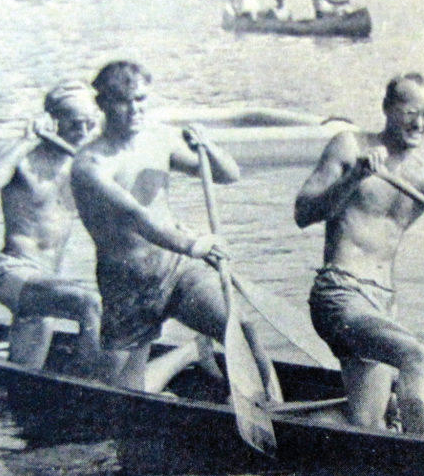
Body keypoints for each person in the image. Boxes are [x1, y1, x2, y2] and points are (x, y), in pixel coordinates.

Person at [70, 60, 278, 393]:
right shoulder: (89, 165)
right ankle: (187, 354)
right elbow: (139, 219)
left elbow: (228, 174)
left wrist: (208, 147)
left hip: (177, 269)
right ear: (103, 104)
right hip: (127, 282)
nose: (134, 109)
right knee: (121, 396)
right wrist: (196, 246)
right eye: (124, 101)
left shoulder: (160, 140)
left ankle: (274, 410)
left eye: (140, 99)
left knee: (242, 329)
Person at [294, 73, 424, 433]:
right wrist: (354, 178)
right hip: (340, 294)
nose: (419, 123)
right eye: (411, 112)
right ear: (387, 108)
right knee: (415, 356)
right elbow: (303, 213)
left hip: (383, 302)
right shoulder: (349, 146)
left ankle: (290, 432)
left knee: (366, 424)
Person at [0, 80, 104, 371]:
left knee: (22, 374)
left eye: (89, 124)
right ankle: (95, 391)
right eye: (74, 124)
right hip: (14, 274)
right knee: (91, 304)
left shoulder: (83, 164)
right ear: (53, 122)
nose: (83, 132)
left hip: (47, 285)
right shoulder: (22, 156)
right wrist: (26, 141)